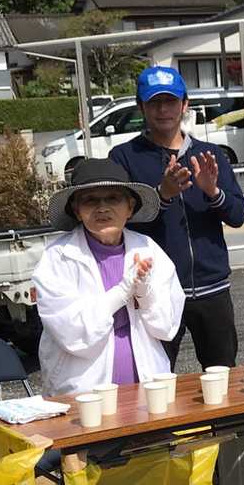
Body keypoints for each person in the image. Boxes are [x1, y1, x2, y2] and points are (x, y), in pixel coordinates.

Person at [111, 65, 244, 370]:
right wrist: (162, 194)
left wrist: (213, 192)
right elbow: (121, 223)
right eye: (154, 102)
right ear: (141, 107)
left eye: (171, 101)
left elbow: (238, 215)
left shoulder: (210, 154)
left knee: (222, 375)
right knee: (154, 377)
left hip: (212, 287)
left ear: (185, 104)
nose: (163, 110)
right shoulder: (124, 158)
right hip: (155, 290)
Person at [33, 159, 184, 397]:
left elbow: (166, 327)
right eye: (90, 200)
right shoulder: (57, 257)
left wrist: (145, 294)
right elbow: (71, 332)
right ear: (77, 210)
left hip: (147, 384)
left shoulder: (147, 249)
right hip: (83, 392)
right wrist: (122, 291)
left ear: (130, 207)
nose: (102, 208)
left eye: (113, 198)